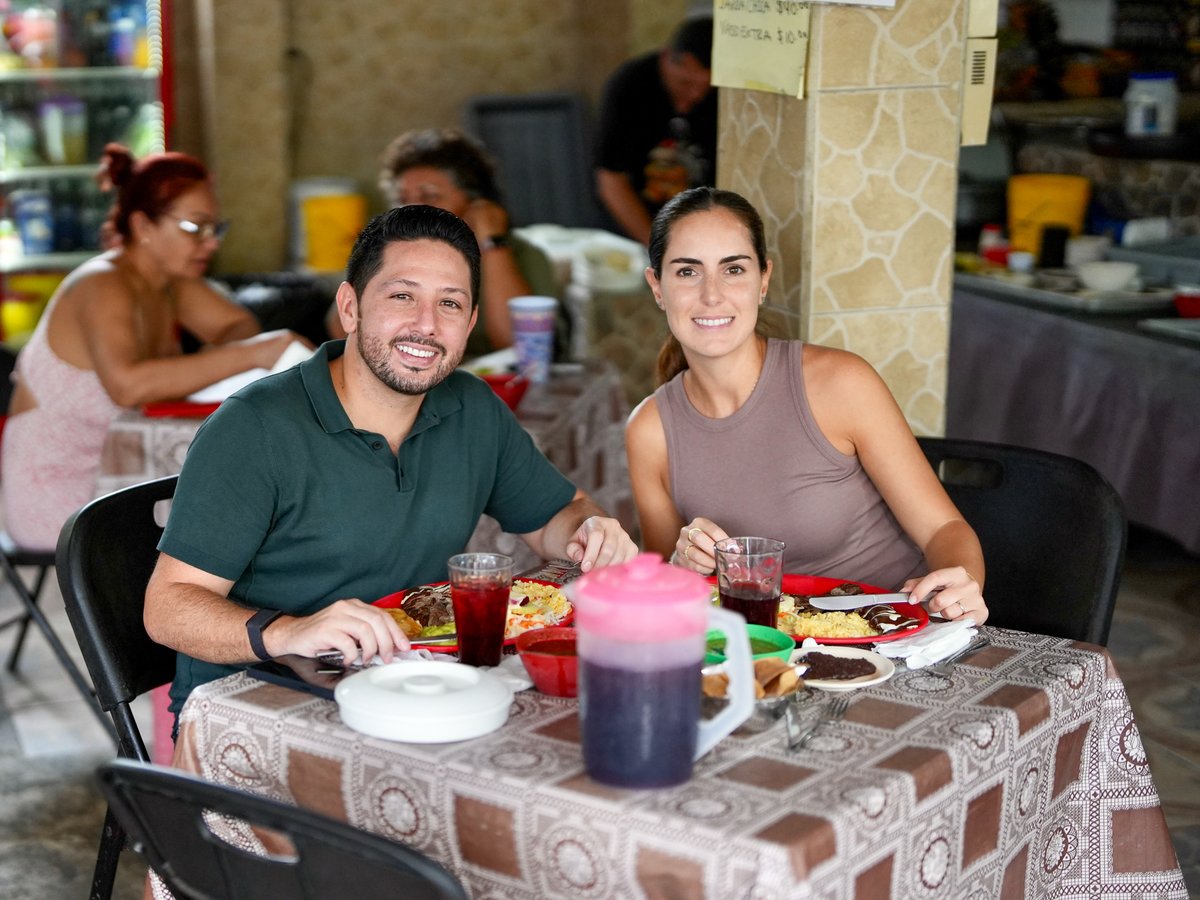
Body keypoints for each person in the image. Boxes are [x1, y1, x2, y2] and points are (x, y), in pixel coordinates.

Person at [145, 204, 638, 717]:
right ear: (350, 307)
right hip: (256, 709)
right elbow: (168, 608)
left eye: (450, 304)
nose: (426, 325)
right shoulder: (254, 427)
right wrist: (292, 631)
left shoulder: (472, 407)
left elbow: (557, 514)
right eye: (402, 296)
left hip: (407, 686)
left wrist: (588, 530)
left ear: (469, 323)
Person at [625, 187, 989, 624]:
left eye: (733, 269)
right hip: (765, 647)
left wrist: (961, 584)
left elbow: (944, 529)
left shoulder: (841, 383)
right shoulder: (649, 429)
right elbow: (664, 597)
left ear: (763, 280)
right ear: (657, 286)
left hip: (898, 632)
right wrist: (681, 566)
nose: (712, 295)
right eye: (687, 272)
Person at [0, 144, 304, 551]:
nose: (210, 243)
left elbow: (238, 326)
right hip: (62, 494)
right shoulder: (101, 283)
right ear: (143, 225)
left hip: (124, 473)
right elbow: (127, 387)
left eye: (215, 229)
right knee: (249, 507)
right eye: (195, 228)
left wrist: (222, 360)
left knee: (257, 490)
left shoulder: (169, 282)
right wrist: (251, 355)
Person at [337, 127, 560, 358]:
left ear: (475, 203)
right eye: (401, 200)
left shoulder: (522, 254)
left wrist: (492, 243)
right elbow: (342, 331)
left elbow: (520, 348)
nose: (411, 210)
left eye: (430, 196)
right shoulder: (389, 253)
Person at [595, 15, 717, 245]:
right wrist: (656, 247)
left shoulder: (723, 96)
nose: (695, 96)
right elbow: (611, 179)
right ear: (666, 58)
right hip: (634, 224)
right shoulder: (630, 84)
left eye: (705, 88)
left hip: (699, 222)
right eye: (685, 83)